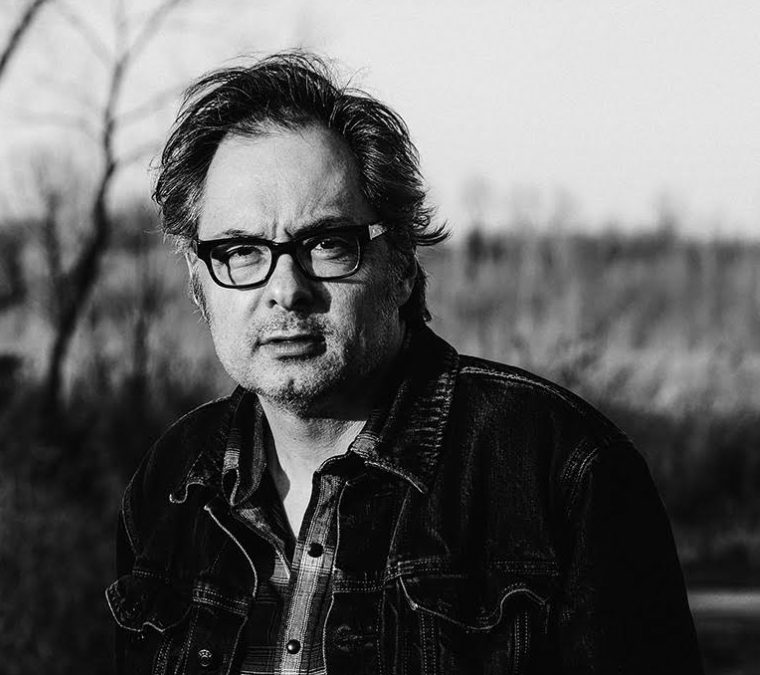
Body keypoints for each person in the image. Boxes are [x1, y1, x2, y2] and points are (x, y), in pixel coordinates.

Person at [107, 52, 702, 674]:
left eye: (326, 244)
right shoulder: (170, 484)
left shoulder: (562, 472)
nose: (285, 289)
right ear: (199, 280)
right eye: (241, 250)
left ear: (400, 265)